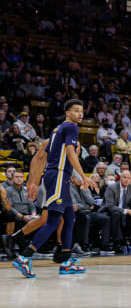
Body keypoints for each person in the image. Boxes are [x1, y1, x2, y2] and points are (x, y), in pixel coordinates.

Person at [13, 99, 96, 278]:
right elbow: (70, 153)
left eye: (82, 111)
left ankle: (66, 261)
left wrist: (71, 177)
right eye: (76, 110)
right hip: (57, 176)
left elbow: (54, 154)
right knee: (52, 221)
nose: (80, 114)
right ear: (68, 113)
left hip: (59, 177)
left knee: (69, 218)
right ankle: (24, 257)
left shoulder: (57, 129)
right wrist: (84, 176)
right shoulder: (71, 127)